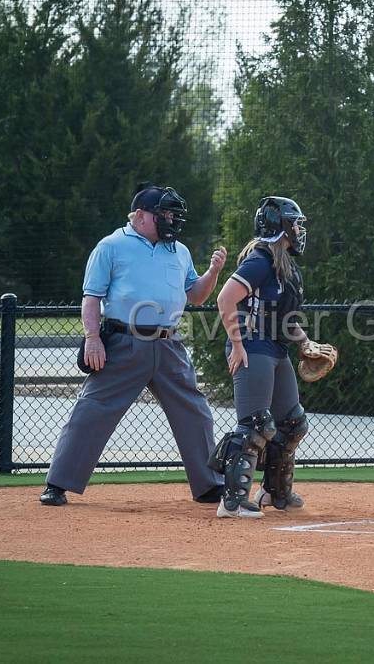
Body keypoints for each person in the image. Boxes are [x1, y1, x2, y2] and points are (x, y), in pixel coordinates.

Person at [40, 184, 226, 506]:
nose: (170, 219)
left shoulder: (178, 251)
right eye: (164, 214)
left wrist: (212, 272)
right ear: (140, 216)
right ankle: (58, 483)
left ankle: (209, 484)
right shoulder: (111, 246)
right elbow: (91, 298)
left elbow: (195, 296)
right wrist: (92, 338)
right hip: (124, 341)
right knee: (92, 410)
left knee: (195, 412)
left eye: (172, 214)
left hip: (169, 345)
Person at [212, 196, 316, 519]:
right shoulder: (259, 260)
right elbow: (225, 298)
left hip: (273, 347)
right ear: (280, 227)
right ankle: (232, 502)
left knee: (292, 423)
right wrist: (237, 345)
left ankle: (275, 492)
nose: (299, 230)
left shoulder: (283, 264)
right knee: (256, 424)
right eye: (295, 224)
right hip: (252, 346)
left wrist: (305, 342)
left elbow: (282, 320)